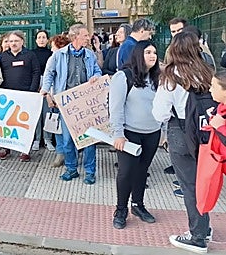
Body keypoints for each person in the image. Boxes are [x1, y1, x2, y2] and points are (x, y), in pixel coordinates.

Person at [152, 32, 214, 254]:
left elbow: (159, 113)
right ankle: (204, 227)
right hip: (206, 132)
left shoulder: (171, 75)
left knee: (189, 186)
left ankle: (197, 237)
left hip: (181, 133)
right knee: (203, 183)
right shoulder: (206, 71)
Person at [110, 40, 161, 229]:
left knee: (142, 171)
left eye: (154, 52)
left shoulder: (158, 77)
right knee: (126, 172)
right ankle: (121, 209)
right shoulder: (124, 76)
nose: (152, 56)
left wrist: (162, 131)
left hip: (152, 133)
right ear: (139, 54)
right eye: (148, 52)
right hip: (130, 133)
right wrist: (118, 133)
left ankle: (138, 205)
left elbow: (163, 105)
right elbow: (115, 107)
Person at [41, 24, 102, 184]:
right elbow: (49, 73)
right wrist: (46, 90)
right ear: (75, 37)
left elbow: (97, 71)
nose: (88, 38)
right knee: (68, 139)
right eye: (85, 35)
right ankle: (71, 169)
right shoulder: (59, 55)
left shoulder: (90, 55)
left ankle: (90, 172)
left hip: (86, 103)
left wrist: (96, 76)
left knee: (89, 138)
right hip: (66, 104)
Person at [0, 30, 41, 161]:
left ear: (22, 41)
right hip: (8, 96)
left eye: (16, 41)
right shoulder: (4, 56)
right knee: (7, 123)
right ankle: (7, 149)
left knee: (24, 124)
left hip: (26, 95)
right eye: (11, 41)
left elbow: (36, 73)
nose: (13, 43)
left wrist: (32, 92)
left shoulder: (30, 55)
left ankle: (25, 150)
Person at [44, 33, 71, 167]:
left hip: (68, 99)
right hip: (56, 99)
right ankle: (60, 153)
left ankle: (69, 154)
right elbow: (47, 80)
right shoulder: (52, 59)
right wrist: (49, 97)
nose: (51, 49)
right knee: (58, 128)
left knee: (68, 130)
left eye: (53, 46)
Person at [32, 29, 53, 151]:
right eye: (39, 37)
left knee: (47, 113)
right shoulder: (31, 53)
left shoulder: (51, 54)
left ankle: (48, 139)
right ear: (36, 40)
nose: (41, 40)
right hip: (36, 85)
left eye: (44, 37)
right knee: (37, 114)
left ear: (47, 40)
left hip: (48, 85)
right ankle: (36, 139)